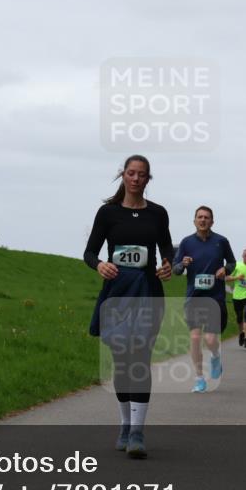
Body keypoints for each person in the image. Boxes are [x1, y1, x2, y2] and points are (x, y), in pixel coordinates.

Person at [85, 155, 173, 459]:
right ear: (123, 175)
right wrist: (99, 265)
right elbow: (89, 252)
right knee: (122, 361)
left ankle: (137, 432)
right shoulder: (108, 213)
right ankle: (124, 424)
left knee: (140, 359)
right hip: (117, 291)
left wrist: (167, 265)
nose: (136, 179)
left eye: (142, 175)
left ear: (149, 179)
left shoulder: (158, 214)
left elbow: (167, 251)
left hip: (148, 291)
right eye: (131, 173)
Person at [172, 206, 236, 393]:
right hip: (194, 297)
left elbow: (232, 262)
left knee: (209, 339)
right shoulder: (186, 242)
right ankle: (199, 378)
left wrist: (226, 270)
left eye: (206, 217)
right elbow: (176, 270)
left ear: (212, 221)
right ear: (194, 221)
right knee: (194, 337)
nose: (203, 220)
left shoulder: (221, 241)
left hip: (214, 297)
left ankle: (215, 355)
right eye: (199, 217)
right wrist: (182, 264)